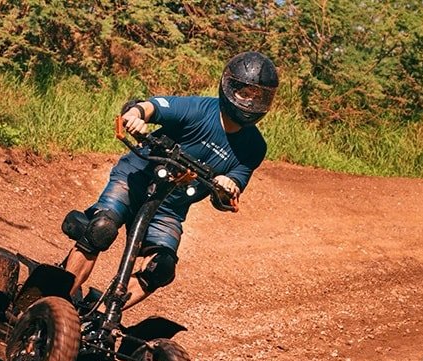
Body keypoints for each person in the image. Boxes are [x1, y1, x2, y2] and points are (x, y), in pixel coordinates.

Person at [62, 51, 279, 309]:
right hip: (135, 179)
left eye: (259, 96)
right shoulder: (198, 109)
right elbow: (152, 106)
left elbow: (229, 194)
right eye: (245, 92)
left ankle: (103, 316)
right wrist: (135, 116)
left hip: (169, 207)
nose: (250, 101)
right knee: (100, 229)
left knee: (160, 268)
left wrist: (227, 186)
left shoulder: (254, 147)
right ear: (229, 87)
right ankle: (55, 301)